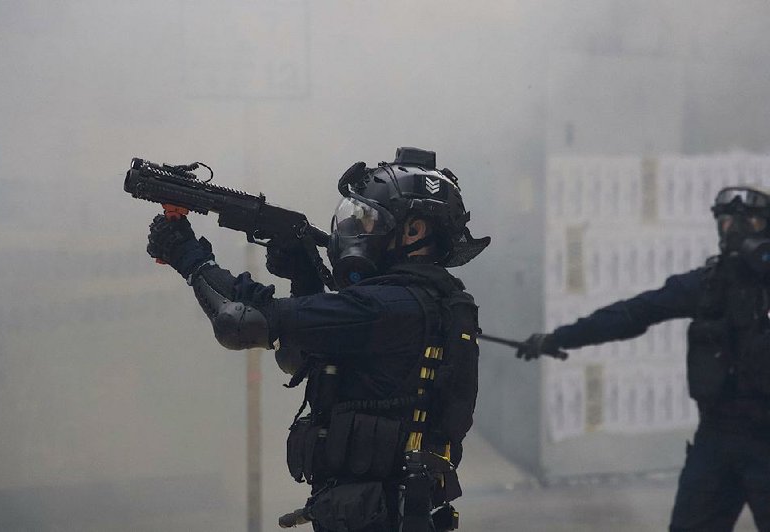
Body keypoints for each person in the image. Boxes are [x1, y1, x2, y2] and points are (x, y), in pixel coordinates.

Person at [146, 147, 490, 532]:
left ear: (414, 230)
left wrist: (189, 256)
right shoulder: (424, 304)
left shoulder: (386, 307)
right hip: (390, 513)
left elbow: (242, 322)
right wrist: (304, 278)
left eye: (369, 220)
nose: (358, 231)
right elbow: (300, 357)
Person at [517, 185, 770, 531]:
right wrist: (559, 338)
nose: (735, 233)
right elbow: (633, 314)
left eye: (751, 223)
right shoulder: (708, 285)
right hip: (717, 439)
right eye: (727, 223)